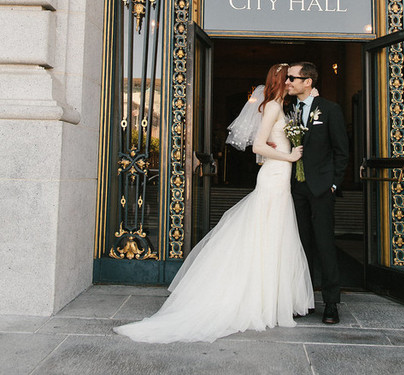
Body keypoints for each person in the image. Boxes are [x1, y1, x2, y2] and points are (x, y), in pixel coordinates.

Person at [114, 64, 313, 344]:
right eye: (289, 78)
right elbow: (257, 146)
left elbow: (266, 147)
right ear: (281, 81)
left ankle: (272, 298)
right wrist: (289, 156)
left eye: (295, 78)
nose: (292, 81)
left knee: (273, 236)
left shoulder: (280, 107)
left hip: (279, 176)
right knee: (270, 233)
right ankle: (263, 300)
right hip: (274, 177)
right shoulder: (271, 108)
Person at [285, 61, 349, 325]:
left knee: (324, 245)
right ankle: (305, 299)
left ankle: (331, 303)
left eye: (292, 77)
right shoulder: (288, 110)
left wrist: (333, 184)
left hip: (321, 188)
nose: (288, 82)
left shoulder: (330, 110)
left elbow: (341, 151)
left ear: (307, 81)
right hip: (295, 188)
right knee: (301, 246)